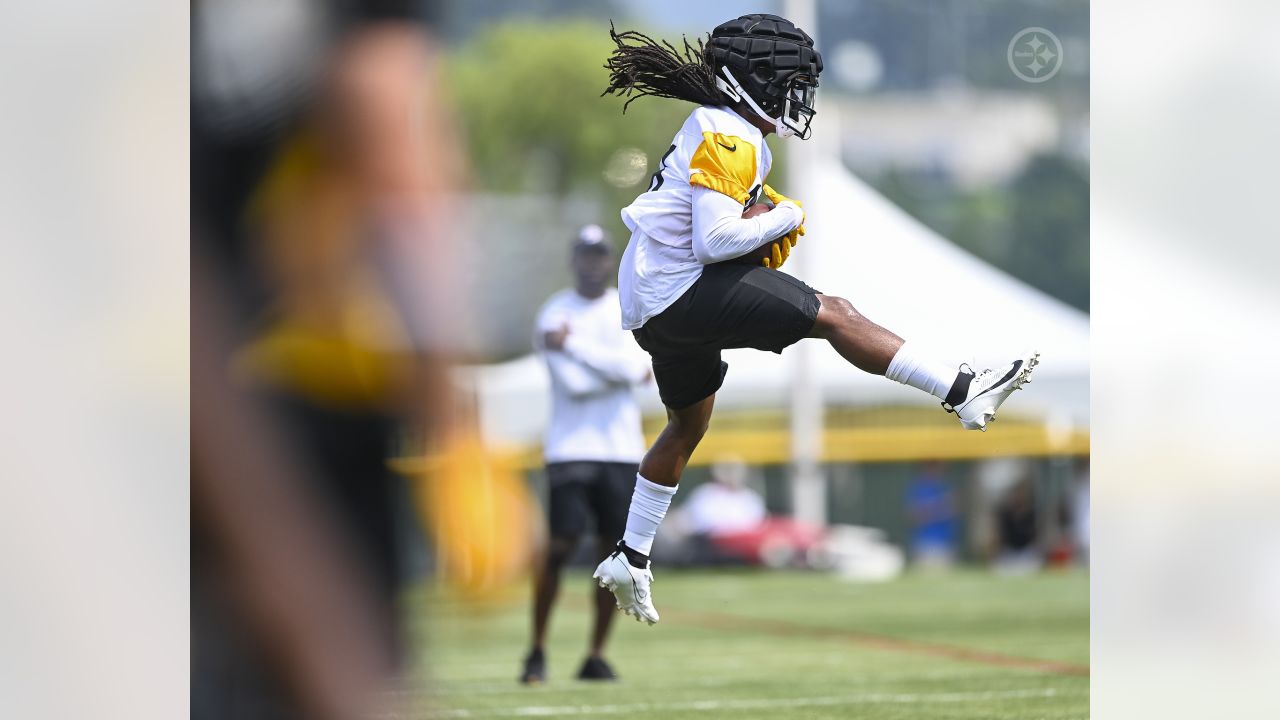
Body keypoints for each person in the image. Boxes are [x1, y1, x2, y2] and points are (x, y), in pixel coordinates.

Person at [591, 14, 1039, 625]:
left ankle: (630, 555)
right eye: (785, 82)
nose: (793, 95)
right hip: (678, 290)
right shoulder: (731, 135)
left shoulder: (722, 127)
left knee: (686, 426)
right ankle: (963, 391)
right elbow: (714, 242)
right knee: (835, 313)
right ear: (750, 81)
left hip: (652, 302)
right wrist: (783, 214)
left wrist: (761, 214)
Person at [520, 226, 652, 684]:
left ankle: (595, 655)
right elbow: (578, 386)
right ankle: (536, 649)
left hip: (620, 451)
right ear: (574, 259)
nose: (593, 263)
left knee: (613, 557)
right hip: (570, 449)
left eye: (600, 255)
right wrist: (617, 370)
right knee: (560, 547)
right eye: (585, 255)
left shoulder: (624, 305)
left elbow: (639, 370)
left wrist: (574, 346)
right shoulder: (552, 312)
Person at [906, 461, 959, 568]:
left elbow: (954, 509)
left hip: (947, 541)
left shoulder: (944, 485)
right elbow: (914, 515)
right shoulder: (919, 487)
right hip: (927, 543)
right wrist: (941, 506)